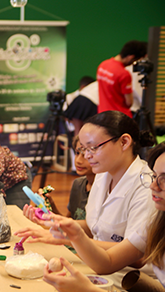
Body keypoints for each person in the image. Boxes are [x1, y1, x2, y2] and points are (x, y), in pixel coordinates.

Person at [17, 110, 156, 286]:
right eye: (82, 149)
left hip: (132, 280)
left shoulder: (146, 188)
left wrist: (71, 238)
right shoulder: (103, 175)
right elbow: (94, 226)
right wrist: (55, 223)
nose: (87, 156)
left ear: (124, 142)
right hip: (97, 264)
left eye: (93, 147)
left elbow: (136, 258)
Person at [43, 142, 165, 291]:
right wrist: (72, 234)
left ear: (124, 143)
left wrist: (88, 289)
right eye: (154, 176)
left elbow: (132, 259)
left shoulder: (144, 195)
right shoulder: (158, 219)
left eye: (93, 147)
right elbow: (108, 261)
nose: (153, 186)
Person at [41, 135, 95, 220]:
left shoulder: (106, 189)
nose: (78, 161)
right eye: (77, 153)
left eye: (86, 155)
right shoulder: (78, 184)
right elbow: (69, 223)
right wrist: (51, 206)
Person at [97, 40, 147, 118]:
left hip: (103, 114)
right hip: (119, 117)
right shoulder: (124, 74)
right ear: (131, 57)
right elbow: (129, 103)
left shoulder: (103, 65)